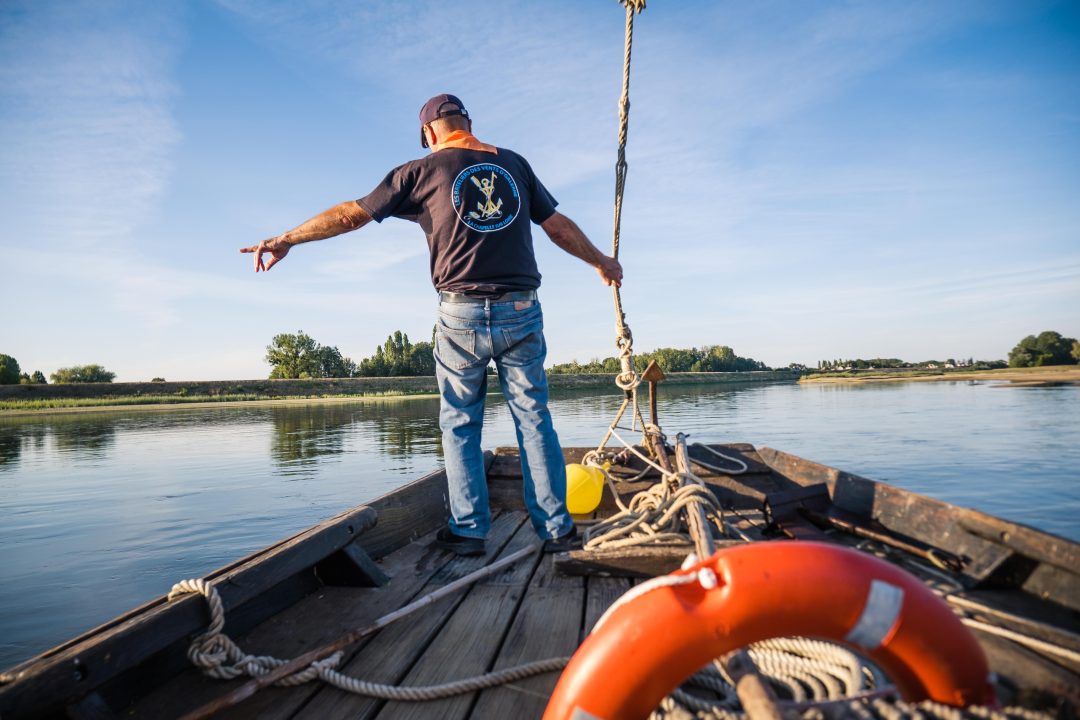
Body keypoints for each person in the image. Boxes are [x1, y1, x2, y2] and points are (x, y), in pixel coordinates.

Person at [241, 93, 622, 556]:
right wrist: (601, 262)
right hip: (521, 310)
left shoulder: (419, 172)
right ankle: (557, 531)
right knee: (534, 419)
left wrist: (286, 240)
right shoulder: (515, 166)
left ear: (428, 133)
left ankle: (469, 531)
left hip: (459, 312)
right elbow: (557, 227)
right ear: (468, 122)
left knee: (461, 422)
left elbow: (349, 215)